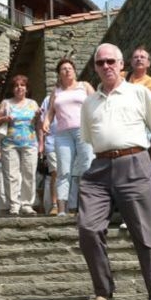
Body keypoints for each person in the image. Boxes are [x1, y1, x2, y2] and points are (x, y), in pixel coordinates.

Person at [78, 43, 151, 300]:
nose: (105, 66)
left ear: (121, 64)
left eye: (110, 61)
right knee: (88, 228)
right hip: (100, 167)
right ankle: (103, 291)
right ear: (95, 67)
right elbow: (89, 139)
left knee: (146, 234)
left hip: (134, 162)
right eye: (100, 62)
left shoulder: (139, 93)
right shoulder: (89, 102)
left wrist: (145, 162)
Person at [41, 58, 94, 217]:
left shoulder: (84, 86)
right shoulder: (56, 92)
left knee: (86, 166)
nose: (67, 70)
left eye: (70, 68)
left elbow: (97, 104)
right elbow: (51, 111)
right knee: (63, 170)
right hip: (62, 134)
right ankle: (62, 209)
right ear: (59, 74)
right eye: (63, 69)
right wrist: (46, 122)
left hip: (83, 130)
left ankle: (87, 206)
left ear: (74, 70)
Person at [120, 46, 151, 230]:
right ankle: (129, 216)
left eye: (143, 57)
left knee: (145, 169)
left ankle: (146, 215)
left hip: (143, 128)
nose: (139, 59)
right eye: (135, 57)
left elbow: (140, 102)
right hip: (124, 128)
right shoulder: (123, 77)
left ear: (149, 62)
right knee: (126, 171)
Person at [0, 75, 39, 216]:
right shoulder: (6, 103)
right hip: (9, 144)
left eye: (22, 85)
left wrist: (38, 117)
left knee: (29, 174)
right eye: (16, 86)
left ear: (26, 88)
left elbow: (38, 124)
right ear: (13, 89)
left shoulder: (33, 103)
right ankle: (14, 204)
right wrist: (5, 118)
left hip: (30, 143)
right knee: (11, 175)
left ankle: (26, 204)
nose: (19, 88)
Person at [37, 94, 58, 215]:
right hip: (52, 140)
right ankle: (54, 205)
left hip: (73, 140)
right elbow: (41, 122)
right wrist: (41, 143)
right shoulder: (48, 99)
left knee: (71, 174)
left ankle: (70, 205)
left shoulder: (77, 93)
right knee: (55, 172)